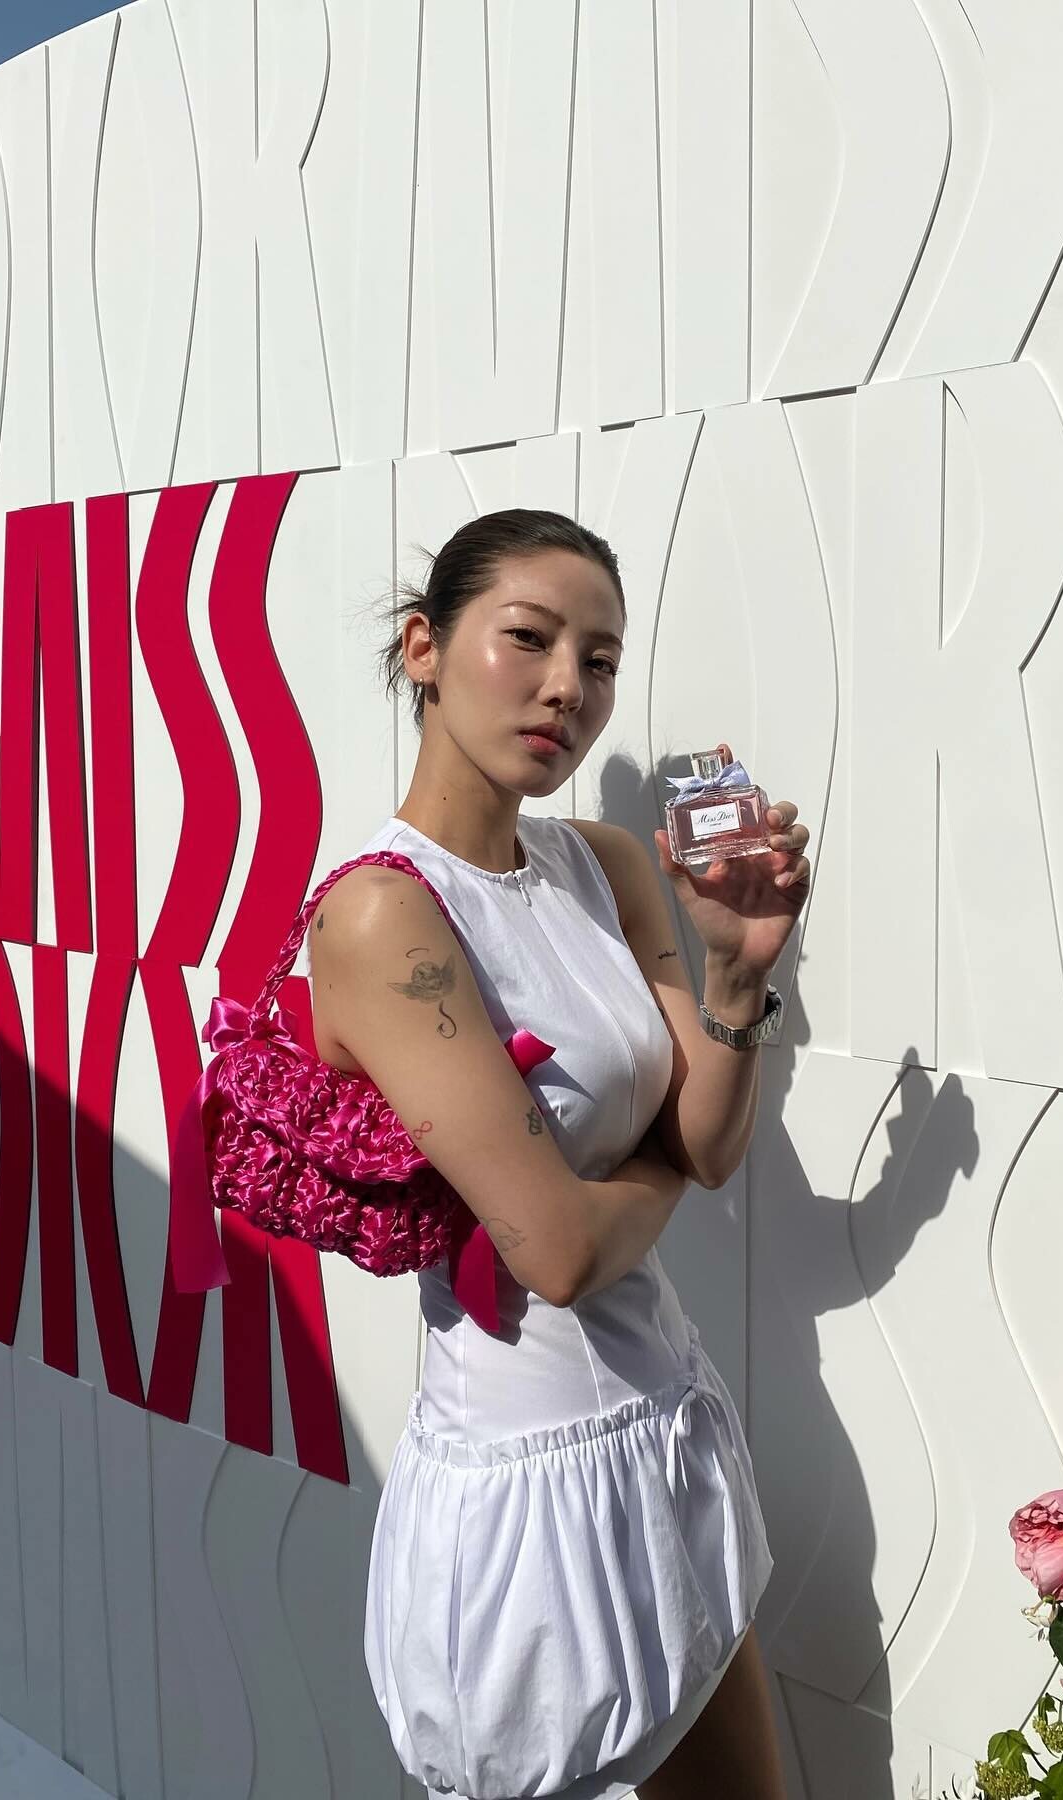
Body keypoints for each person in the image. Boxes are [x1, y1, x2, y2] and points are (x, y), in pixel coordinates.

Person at [308, 509, 809, 1799]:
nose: (565, 688)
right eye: (527, 638)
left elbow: (707, 1138)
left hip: (666, 1428)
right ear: (424, 647)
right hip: (528, 1494)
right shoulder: (381, 914)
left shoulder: (605, 862)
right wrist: (658, 1167)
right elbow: (563, 1255)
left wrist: (737, 976)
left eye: (599, 660)